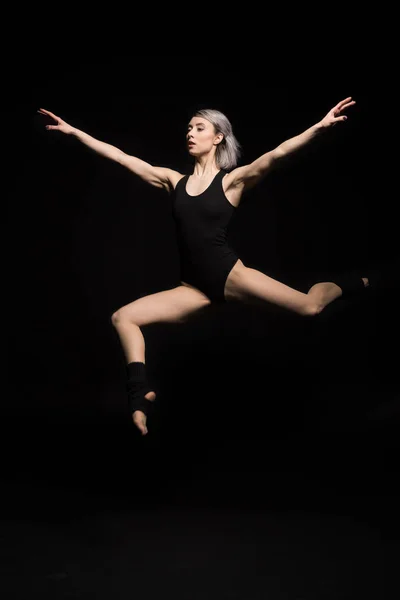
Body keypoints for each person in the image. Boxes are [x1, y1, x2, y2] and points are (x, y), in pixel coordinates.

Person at [38, 97, 371, 436]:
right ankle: (140, 397)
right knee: (123, 317)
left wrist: (319, 127)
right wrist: (74, 132)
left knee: (311, 307)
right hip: (193, 287)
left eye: (199, 128)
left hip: (229, 276)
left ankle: (356, 282)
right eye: (189, 128)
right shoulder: (172, 181)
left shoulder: (231, 182)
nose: (190, 133)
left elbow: (278, 154)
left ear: (218, 138)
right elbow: (121, 157)